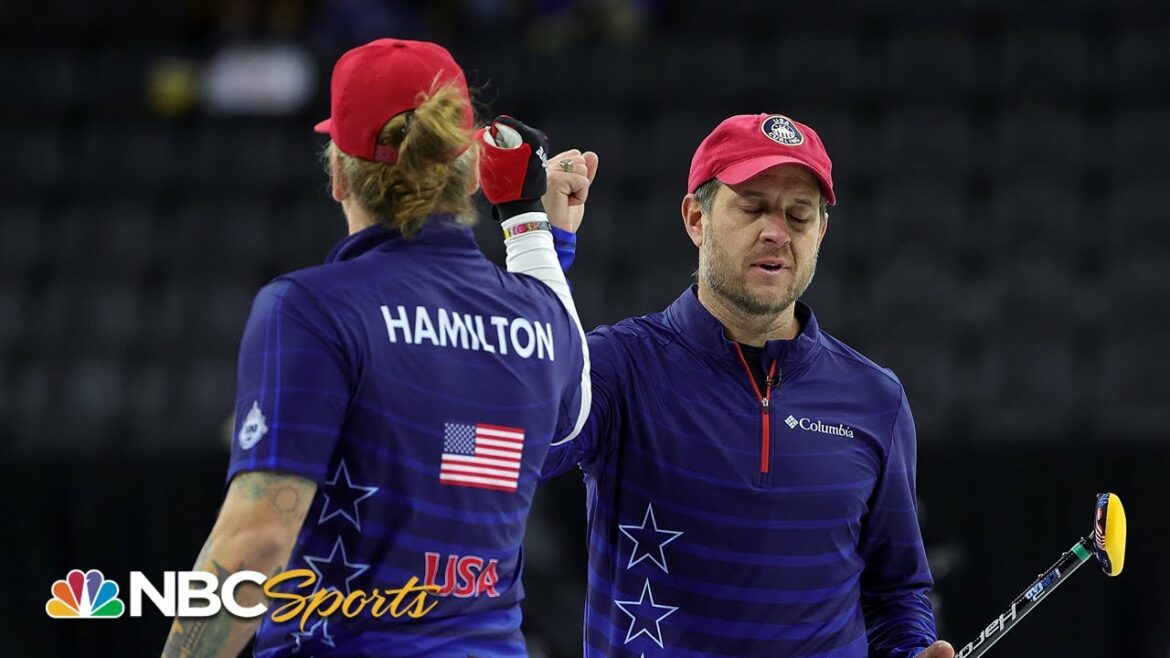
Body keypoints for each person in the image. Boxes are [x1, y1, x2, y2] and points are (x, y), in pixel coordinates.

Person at [160, 38, 594, 657]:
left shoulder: (310, 310)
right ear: (470, 170)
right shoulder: (538, 317)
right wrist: (530, 226)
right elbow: (568, 416)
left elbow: (254, 542)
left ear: (338, 174)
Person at [542, 113, 955, 657]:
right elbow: (523, 445)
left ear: (821, 232)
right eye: (753, 206)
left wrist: (912, 650)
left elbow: (896, 591)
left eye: (799, 214)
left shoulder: (875, 398)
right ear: (696, 218)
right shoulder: (618, 366)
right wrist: (540, 244)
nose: (776, 231)